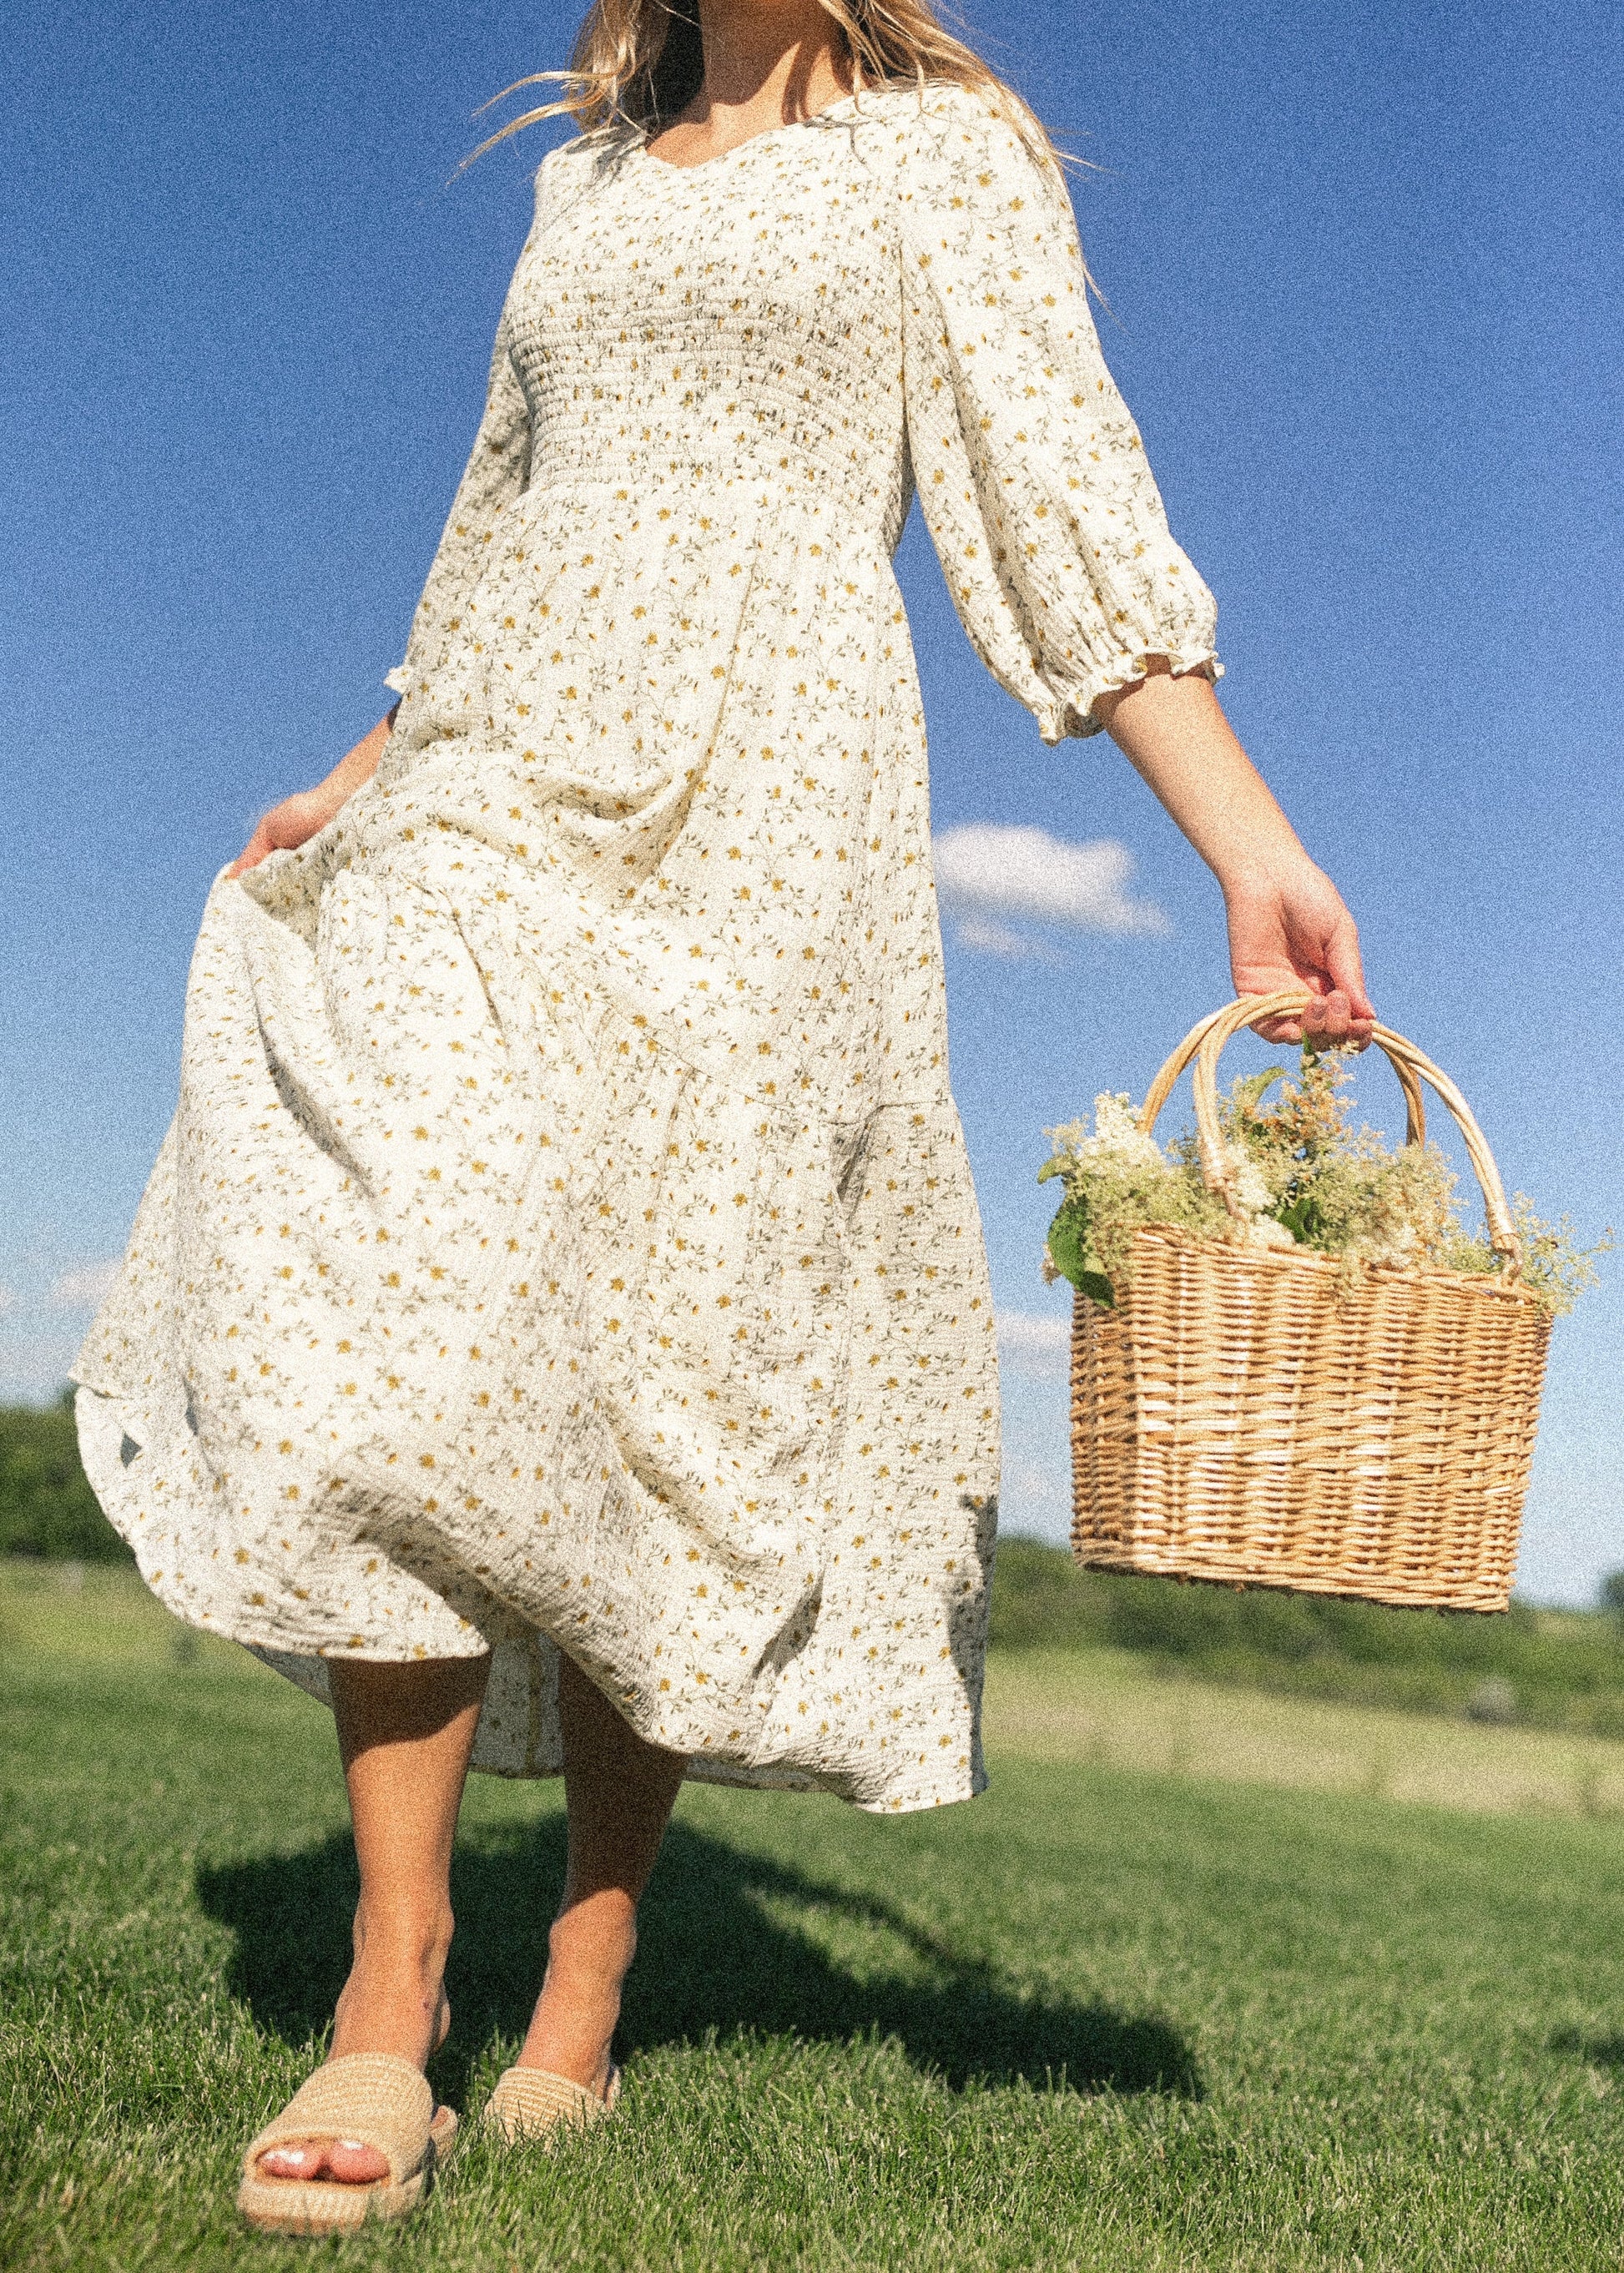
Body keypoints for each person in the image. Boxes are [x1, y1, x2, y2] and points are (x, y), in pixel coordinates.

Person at [73, 0, 1374, 2230]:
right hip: (497, 764)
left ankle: (583, 1980)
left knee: (680, 1361)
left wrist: (1249, 850)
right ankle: (392, 1988)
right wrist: (369, 766)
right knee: (399, 1297)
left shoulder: (939, 157)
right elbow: (497, 516)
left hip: (769, 796)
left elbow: (1064, 497)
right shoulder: (581, 177)